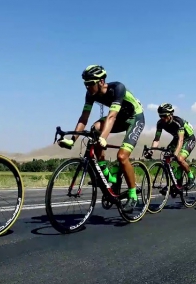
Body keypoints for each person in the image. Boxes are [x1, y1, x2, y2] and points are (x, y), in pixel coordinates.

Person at [57, 65, 145, 212]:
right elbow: (84, 118)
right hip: (118, 118)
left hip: (134, 117)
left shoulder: (117, 88)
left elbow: (111, 116)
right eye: (85, 84)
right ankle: (107, 174)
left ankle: (132, 194)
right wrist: (73, 140)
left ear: (102, 81)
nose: (88, 87)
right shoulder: (90, 95)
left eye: (91, 83)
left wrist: (103, 138)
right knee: (94, 129)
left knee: (122, 156)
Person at [148, 103, 196, 188]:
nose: (162, 118)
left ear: (171, 114)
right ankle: (176, 179)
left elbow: (181, 140)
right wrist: (151, 150)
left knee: (179, 158)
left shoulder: (178, 122)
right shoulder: (160, 123)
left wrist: (176, 153)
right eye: (160, 116)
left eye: (164, 116)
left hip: (188, 139)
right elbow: (156, 139)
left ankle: (191, 177)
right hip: (176, 139)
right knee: (166, 156)